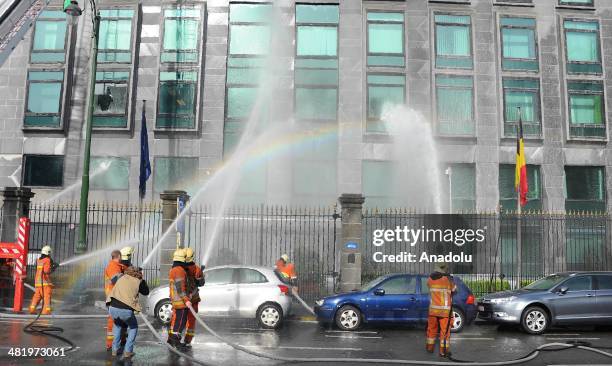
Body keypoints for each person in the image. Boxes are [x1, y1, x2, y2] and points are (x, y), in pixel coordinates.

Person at [106, 266, 149, 360]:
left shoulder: (122, 276)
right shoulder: (138, 281)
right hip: (125, 310)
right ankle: (128, 351)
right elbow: (146, 292)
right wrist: (142, 279)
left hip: (112, 308)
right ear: (139, 273)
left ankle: (114, 350)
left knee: (117, 326)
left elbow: (112, 280)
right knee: (133, 327)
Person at [426, 262, 457, 357]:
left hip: (433, 310)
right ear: (445, 268)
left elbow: (429, 286)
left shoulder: (430, 279)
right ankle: (443, 352)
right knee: (444, 332)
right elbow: (455, 290)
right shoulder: (448, 279)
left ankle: (430, 348)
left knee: (431, 329)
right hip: (444, 311)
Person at [167, 249, 191, 349]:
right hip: (180, 302)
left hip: (177, 301)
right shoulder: (179, 271)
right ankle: (175, 342)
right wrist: (186, 300)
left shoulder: (174, 269)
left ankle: (172, 341)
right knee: (180, 323)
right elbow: (180, 288)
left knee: (178, 321)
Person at [104, 250, 126, 351]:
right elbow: (115, 279)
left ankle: (120, 340)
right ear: (119, 256)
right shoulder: (113, 266)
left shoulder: (117, 266)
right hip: (112, 297)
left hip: (115, 296)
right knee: (113, 320)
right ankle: (110, 343)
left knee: (119, 319)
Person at [183, 247, 204, 347]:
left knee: (178, 319)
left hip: (182, 300)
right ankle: (188, 340)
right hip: (193, 299)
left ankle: (173, 339)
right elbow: (201, 283)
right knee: (191, 321)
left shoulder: (180, 268)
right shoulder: (197, 268)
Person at [29, 245, 58, 315]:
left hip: (37, 282)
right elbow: (46, 271)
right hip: (45, 283)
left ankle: (32, 309)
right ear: (48, 253)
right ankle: (46, 311)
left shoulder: (39, 260)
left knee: (37, 296)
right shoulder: (47, 260)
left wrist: (52, 265)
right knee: (46, 297)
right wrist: (54, 267)